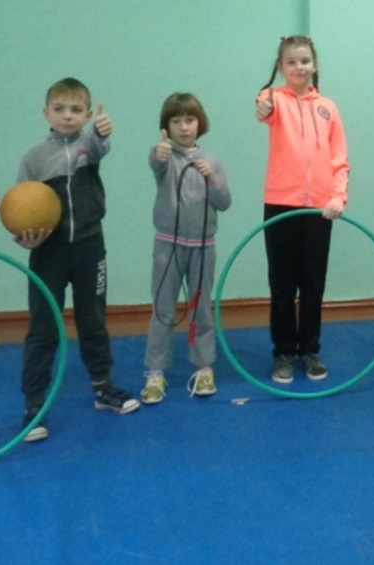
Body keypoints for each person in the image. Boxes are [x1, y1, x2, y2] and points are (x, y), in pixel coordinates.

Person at [13, 77, 139, 442]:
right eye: (59, 109)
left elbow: (99, 146)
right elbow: (20, 210)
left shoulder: (89, 147)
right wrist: (24, 237)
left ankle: (103, 388)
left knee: (93, 320)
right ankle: (33, 406)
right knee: (43, 327)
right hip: (47, 254)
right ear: (46, 113)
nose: (67, 116)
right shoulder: (33, 159)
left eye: (75, 110)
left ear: (86, 115)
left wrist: (101, 131)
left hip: (89, 248)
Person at [254, 35, 349, 384]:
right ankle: (283, 353)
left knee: (312, 284)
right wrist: (263, 106)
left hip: (320, 210)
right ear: (281, 67)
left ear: (315, 64)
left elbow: (339, 159)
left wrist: (337, 197)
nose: (299, 67)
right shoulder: (274, 98)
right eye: (291, 62)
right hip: (281, 204)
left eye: (305, 61)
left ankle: (309, 350)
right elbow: (264, 107)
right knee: (282, 284)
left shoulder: (328, 108)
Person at [142, 93, 232, 404]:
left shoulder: (212, 161)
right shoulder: (164, 156)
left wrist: (212, 179)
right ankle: (156, 371)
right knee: (163, 309)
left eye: (189, 120)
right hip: (167, 247)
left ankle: (204, 367)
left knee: (200, 308)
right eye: (176, 121)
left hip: (203, 248)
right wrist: (158, 152)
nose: (183, 127)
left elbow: (225, 202)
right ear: (166, 127)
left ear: (199, 123)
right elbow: (154, 160)